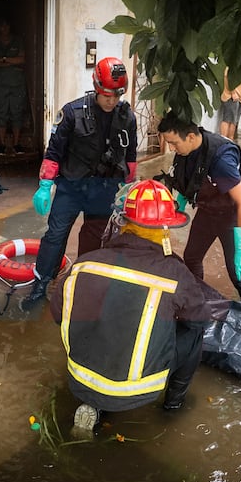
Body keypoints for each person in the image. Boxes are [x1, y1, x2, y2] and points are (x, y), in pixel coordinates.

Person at [50, 179, 211, 436]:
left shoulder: (84, 264)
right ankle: (174, 404)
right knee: (194, 335)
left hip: (78, 379)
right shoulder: (174, 273)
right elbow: (199, 320)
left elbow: (59, 315)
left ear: (121, 222)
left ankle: (93, 403)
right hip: (137, 391)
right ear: (165, 228)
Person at [20, 57, 138, 311]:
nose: (111, 100)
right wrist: (44, 185)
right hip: (71, 188)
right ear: (96, 86)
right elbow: (53, 153)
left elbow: (130, 158)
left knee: (93, 240)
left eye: (117, 95)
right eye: (107, 94)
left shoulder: (127, 117)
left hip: (105, 189)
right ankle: (41, 284)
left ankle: (83, 285)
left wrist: (128, 190)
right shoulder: (72, 113)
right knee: (55, 236)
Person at [156, 111, 241, 305]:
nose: (171, 147)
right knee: (192, 257)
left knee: (238, 274)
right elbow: (188, 180)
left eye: (174, 143)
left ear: (191, 136)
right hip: (209, 209)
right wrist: (179, 204)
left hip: (230, 213)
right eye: (168, 142)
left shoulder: (221, 161)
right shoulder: (186, 150)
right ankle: (197, 302)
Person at [0, 17, 28, 154]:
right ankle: (1, 146)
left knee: (17, 112)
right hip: (0, 83)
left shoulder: (17, 40)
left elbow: (22, 59)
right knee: (1, 113)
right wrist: (12, 61)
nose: (4, 29)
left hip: (17, 83)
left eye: (6, 25)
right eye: (1, 26)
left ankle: (16, 145)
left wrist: (4, 59)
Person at [219, 68, 241, 140]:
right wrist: (233, 92)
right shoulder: (232, 65)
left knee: (234, 121)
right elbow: (227, 76)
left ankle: (230, 140)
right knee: (228, 119)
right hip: (232, 96)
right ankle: (223, 140)